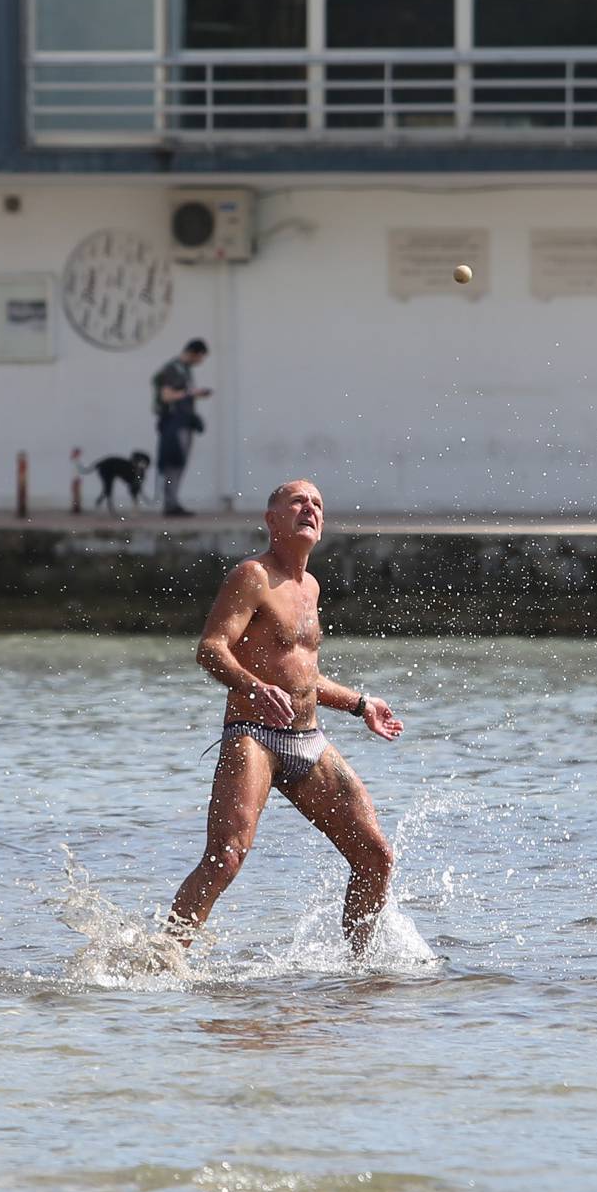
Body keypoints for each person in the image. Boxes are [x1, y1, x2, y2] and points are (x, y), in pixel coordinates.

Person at [166, 477, 402, 957]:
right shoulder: (252, 575)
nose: (309, 508)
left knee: (375, 857)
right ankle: (165, 955)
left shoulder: (310, 586)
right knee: (226, 857)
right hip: (253, 736)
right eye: (298, 501)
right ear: (272, 519)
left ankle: (362, 968)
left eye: (317, 502)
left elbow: (301, 674)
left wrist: (361, 704)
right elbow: (210, 648)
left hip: (307, 740)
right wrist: (251, 686)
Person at [152, 337, 211, 517]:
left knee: (178, 464)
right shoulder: (173, 369)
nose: (200, 362)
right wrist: (191, 393)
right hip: (174, 424)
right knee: (173, 463)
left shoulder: (184, 370)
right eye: (200, 357)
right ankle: (170, 504)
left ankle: (173, 502)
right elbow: (166, 396)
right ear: (194, 353)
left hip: (183, 422)